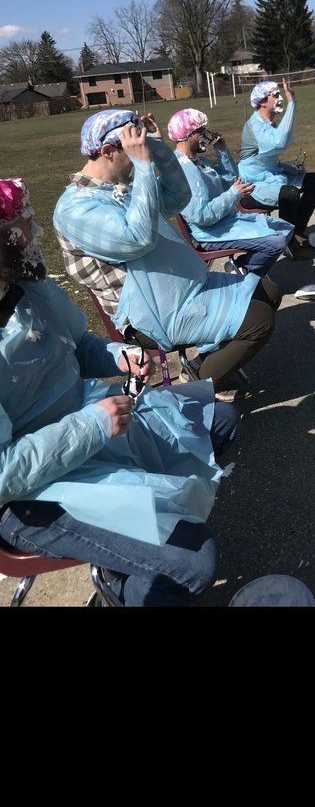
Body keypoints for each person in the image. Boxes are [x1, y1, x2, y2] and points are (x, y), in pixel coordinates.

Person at [0, 176, 241, 607]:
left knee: (217, 421)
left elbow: (78, 344)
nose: (35, 232)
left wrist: (119, 355)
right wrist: (92, 425)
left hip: (87, 425)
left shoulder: (27, 287)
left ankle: (134, 549)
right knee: (193, 563)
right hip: (30, 494)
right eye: (22, 224)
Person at [53, 109, 282, 393]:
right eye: (132, 151)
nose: (138, 160)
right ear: (109, 151)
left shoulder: (120, 187)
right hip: (150, 315)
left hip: (181, 289)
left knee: (269, 291)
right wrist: (145, 166)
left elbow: (178, 197)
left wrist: (159, 149)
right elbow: (138, 239)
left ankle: (206, 363)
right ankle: (197, 387)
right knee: (260, 322)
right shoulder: (74, 209)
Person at [167, 107, 294, 276]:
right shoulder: (184, 170)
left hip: (228, 221)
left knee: (285, 229)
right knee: (276, 242)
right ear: (186, 135)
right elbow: (200, 216)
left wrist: (222, 151)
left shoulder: (199, 161)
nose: (206, 136)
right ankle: (244, 271)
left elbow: (230, 181)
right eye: (201, 131)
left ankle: (243, 270)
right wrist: (234, 194)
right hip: (211, 233)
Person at [238, 79, 315, 257]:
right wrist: (292, 102)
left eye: (279, 95)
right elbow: (279, 142)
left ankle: (298, 232)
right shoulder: (255, 125)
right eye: (275, 95)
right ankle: (288, 242)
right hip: (251, 185)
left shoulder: (268, 124)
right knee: (290, 194)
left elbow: (271, 161)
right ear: (262, 101)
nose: (279, 99)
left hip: (269, 175)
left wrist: (292, 169)